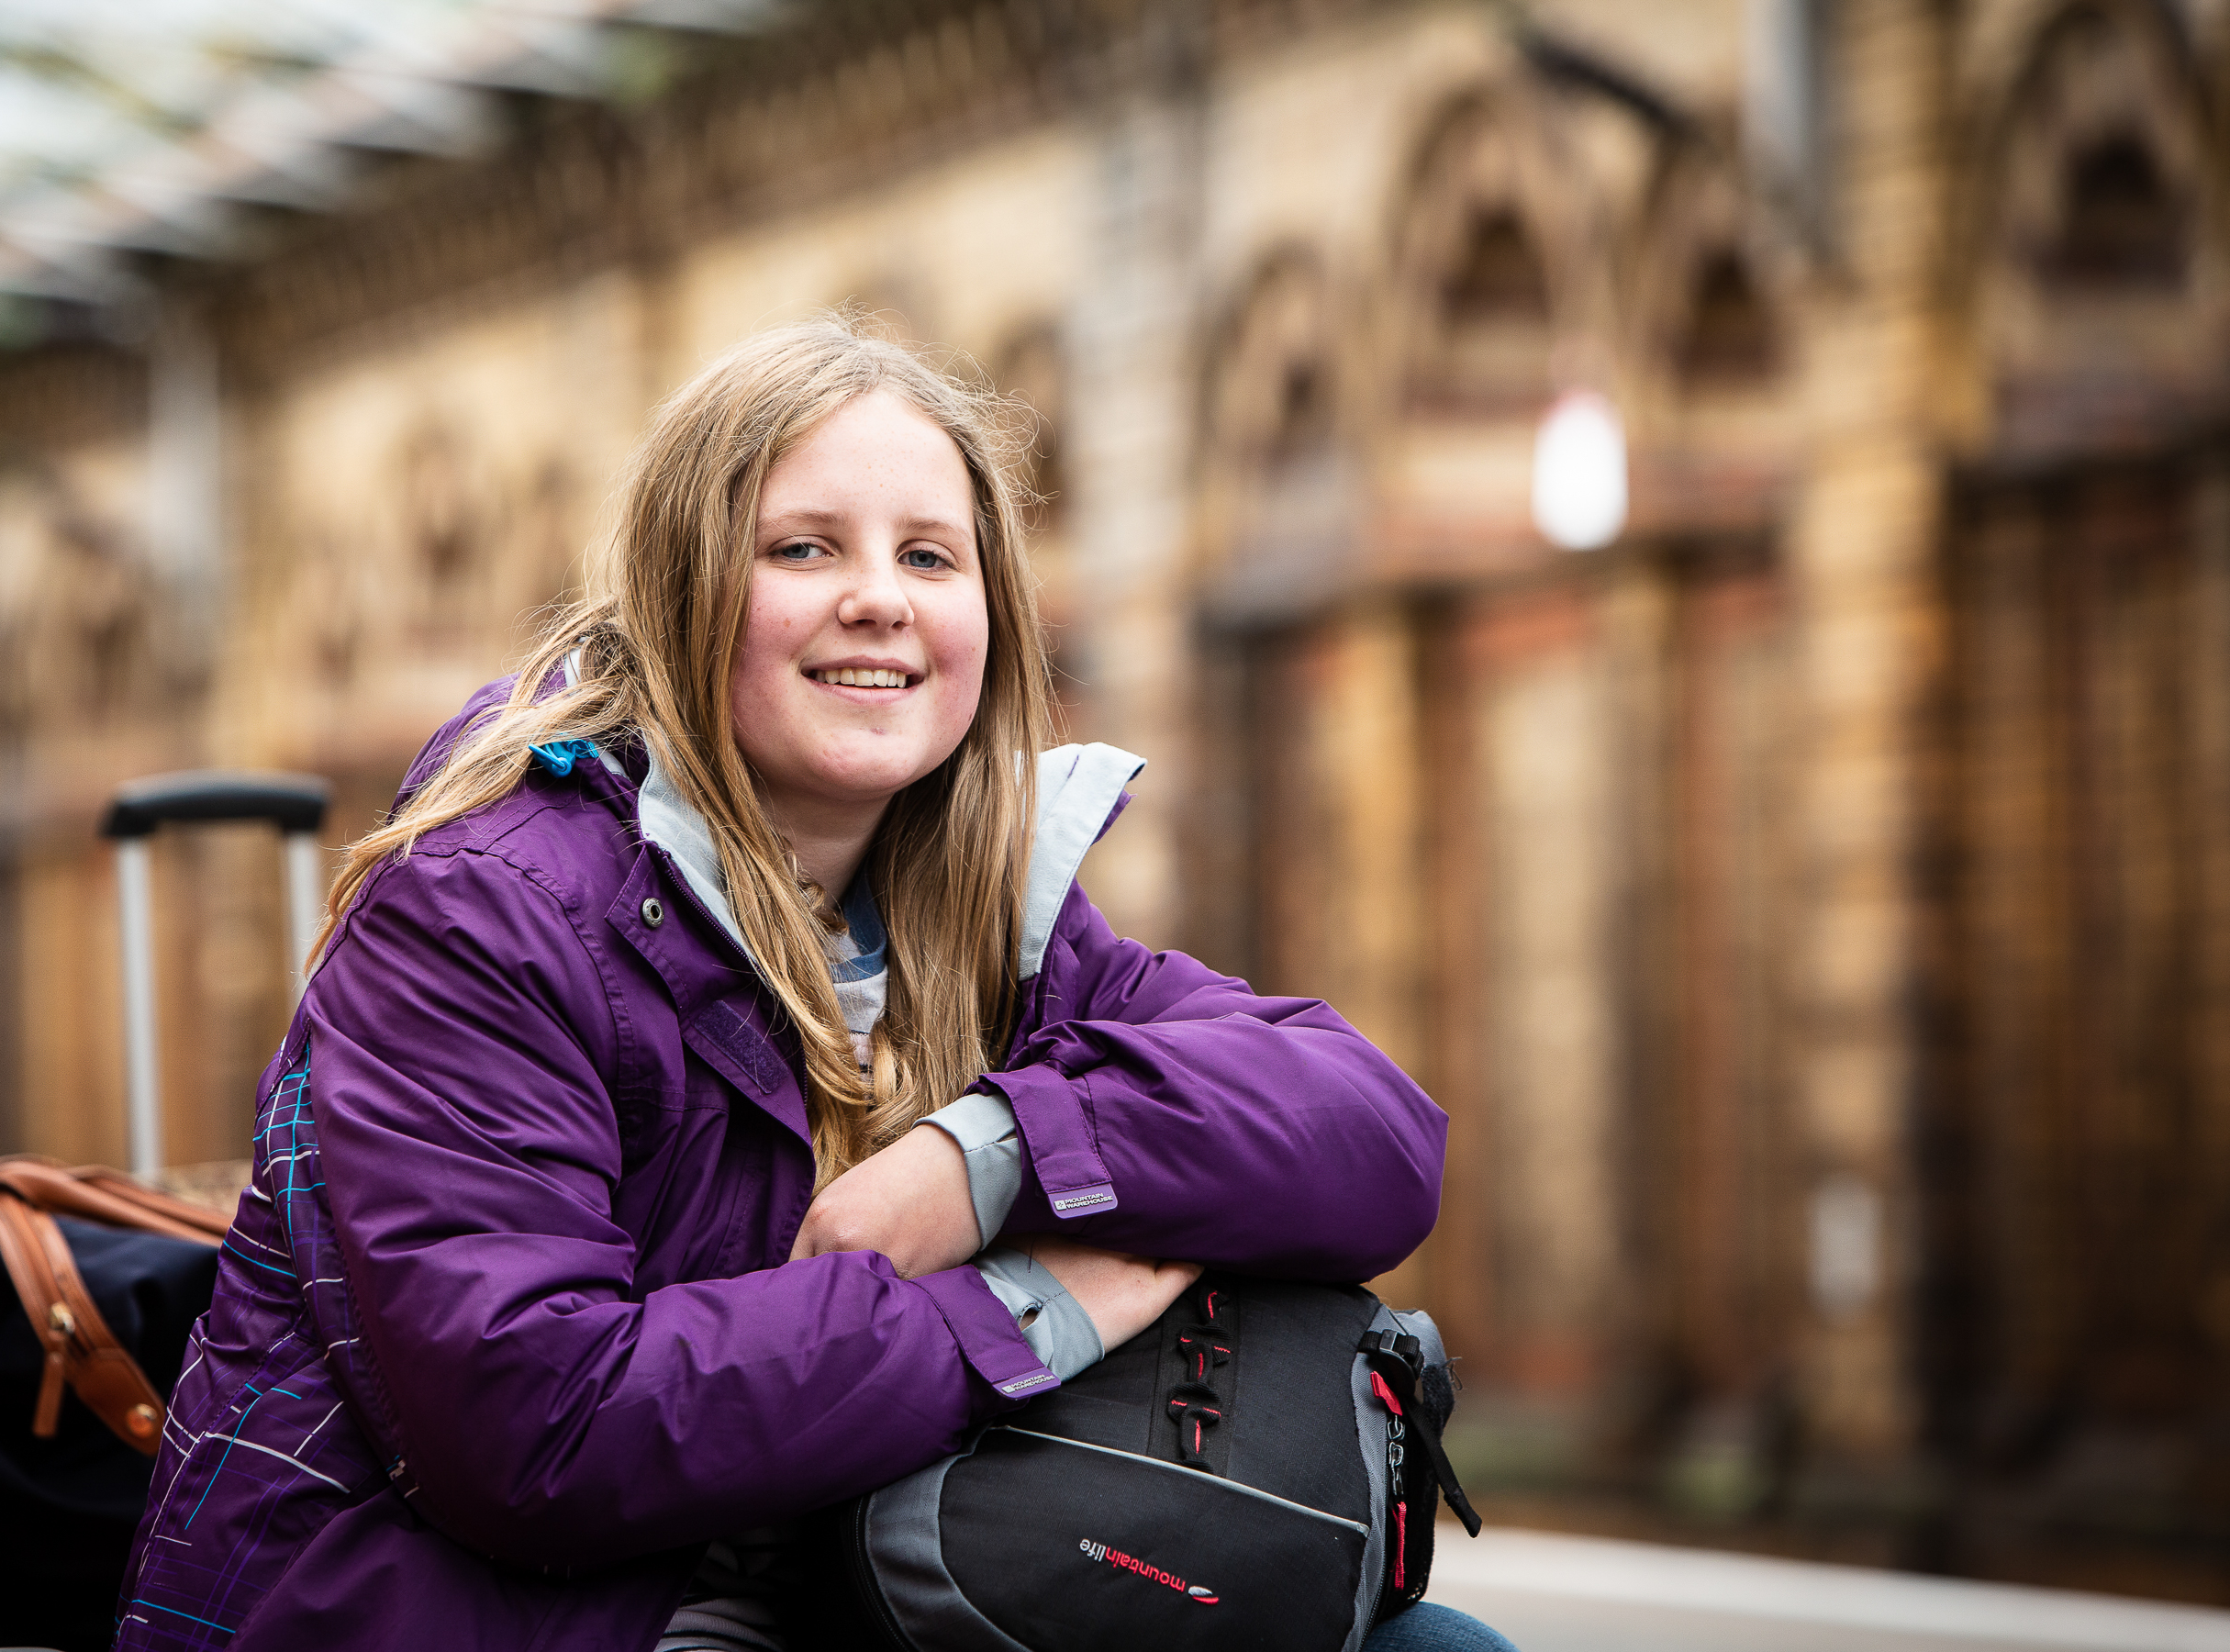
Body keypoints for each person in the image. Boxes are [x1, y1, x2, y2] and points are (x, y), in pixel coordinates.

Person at [114, 314, 1510, 1651]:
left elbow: (1375, 1134)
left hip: (864, 1578)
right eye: (803, 547)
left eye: (929, 557)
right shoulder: (491, 913)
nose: (877, 601)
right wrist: (1024, 1307)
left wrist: (993, 1159)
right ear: (684, 589)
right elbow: (538, 1430)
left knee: (1438, 1647)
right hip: (528, 1617)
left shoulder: (984, 919)